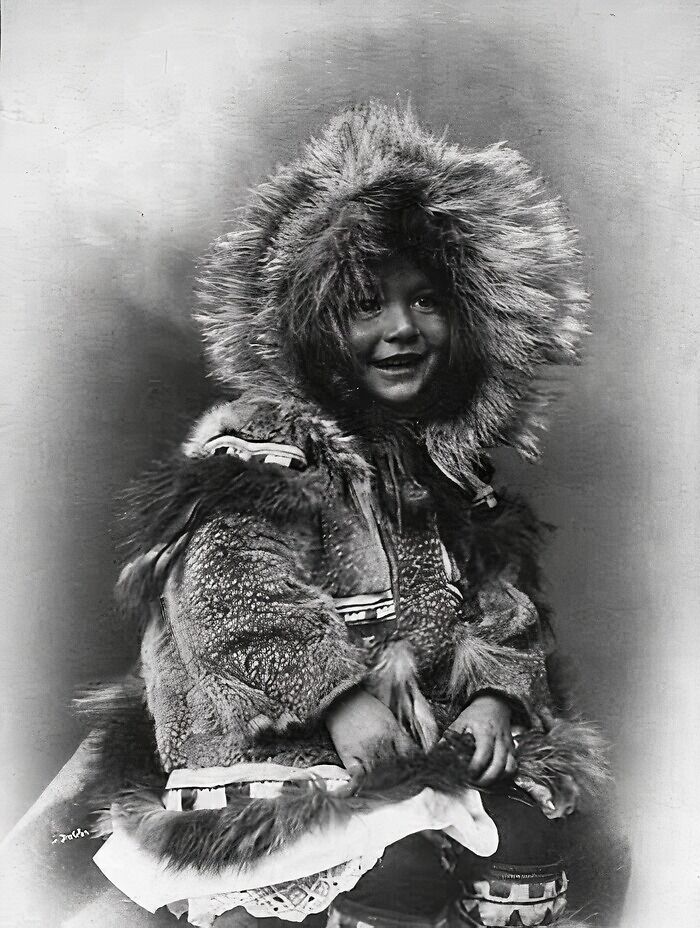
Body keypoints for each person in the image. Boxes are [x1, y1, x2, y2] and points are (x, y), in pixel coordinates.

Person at [2, 102, 627, 928]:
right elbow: (233, 599)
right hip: (285, 745)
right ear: (312, 323)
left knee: (522, 846)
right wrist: (342, 699)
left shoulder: (445, 470)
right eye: (366, 303)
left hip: (424, 745)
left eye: (428, 300)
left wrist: (495, 700)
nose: (402, 328)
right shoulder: (265, 453)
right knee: (383, 865)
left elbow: (500, 603)